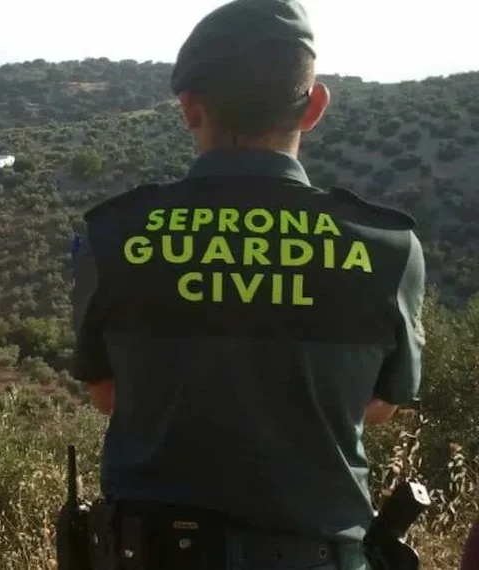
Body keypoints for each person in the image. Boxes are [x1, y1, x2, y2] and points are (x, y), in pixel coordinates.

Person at [68, 0, 427, 568]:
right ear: (314, 106)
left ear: (190, 108)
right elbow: (381, 405)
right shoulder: (386, 246)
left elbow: (107, 394)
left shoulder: (113, 235)